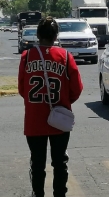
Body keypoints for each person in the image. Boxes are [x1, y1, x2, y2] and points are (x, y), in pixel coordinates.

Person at [18, 16, 83, 197]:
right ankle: (59, 194)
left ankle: (38, 194)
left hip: (34, 119)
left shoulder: (27, 56)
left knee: (37, 163)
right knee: (60, 162)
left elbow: (22, 88)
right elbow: (77, 89)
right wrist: (64, 102)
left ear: (38, 35)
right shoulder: (65, 56)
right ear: (56, 36)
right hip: (59, 118)